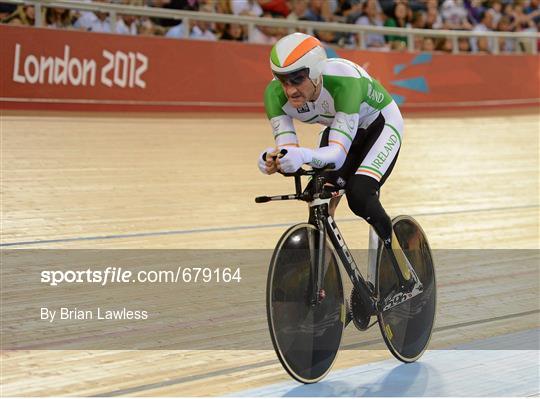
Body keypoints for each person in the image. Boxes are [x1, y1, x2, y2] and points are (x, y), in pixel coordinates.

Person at [258, 32, 415, 289]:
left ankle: (404, 270)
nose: (289, 90)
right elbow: (288, 150)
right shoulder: (274, 96)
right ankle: (318, 284)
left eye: (297, 79)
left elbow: (338, 155)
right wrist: (274, 160)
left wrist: (304, 155)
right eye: (282, 80)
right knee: (317, 197)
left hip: (380, 124)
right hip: (342, 127)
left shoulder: (344, 80)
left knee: (360, 194)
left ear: (317, 72)